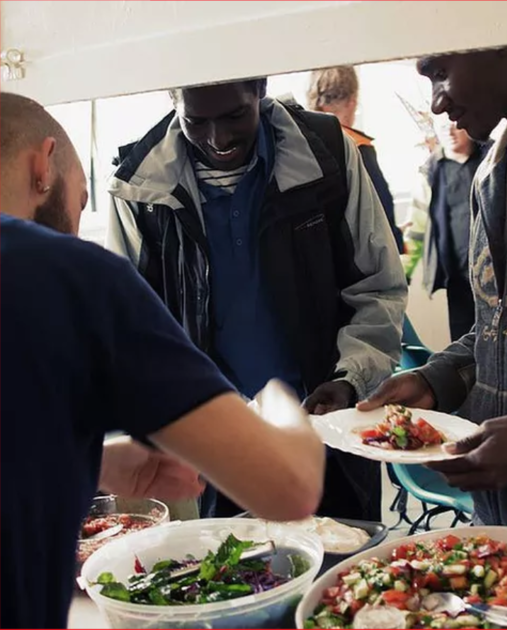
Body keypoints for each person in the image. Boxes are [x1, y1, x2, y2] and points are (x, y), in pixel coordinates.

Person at [0, 92, 326, 629]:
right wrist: (276, 403)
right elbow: (288, 488)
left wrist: (93, 464)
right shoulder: (68, 274)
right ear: (43, 164)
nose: (76, 226)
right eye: (80, 202)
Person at [106, 78, 408, 520]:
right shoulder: (139, 186)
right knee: (233, 578)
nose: (219, 138)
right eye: (197, 121)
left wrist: (351, 377)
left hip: (329, 431)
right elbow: (128, 328)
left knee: (345, 572)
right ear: (172, 102)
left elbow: (377, 287)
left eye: (234, 116)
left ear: (260, 89)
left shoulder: (327, 154)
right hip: (215, 447)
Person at [358, 45, 507, 527]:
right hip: (501, 521)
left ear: (502, 42)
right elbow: (497, 329)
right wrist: (435, 381)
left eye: (439, 74)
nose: (435, 104)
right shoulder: (495, 171)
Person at [402, 115, 490, 340]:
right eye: (443, 128)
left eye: (455, 126)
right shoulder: (431, 171)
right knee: (463, 343)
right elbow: (416, 229)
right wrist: (404, 274)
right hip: (457, 278)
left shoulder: (491, 160)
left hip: (495, 275)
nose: (450, 133)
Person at [306, 65, 404, 253]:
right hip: (356, 260)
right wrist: (397, 250)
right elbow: (380, 212)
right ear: (352, 101)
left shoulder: (299, 144)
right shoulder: (356, 147)